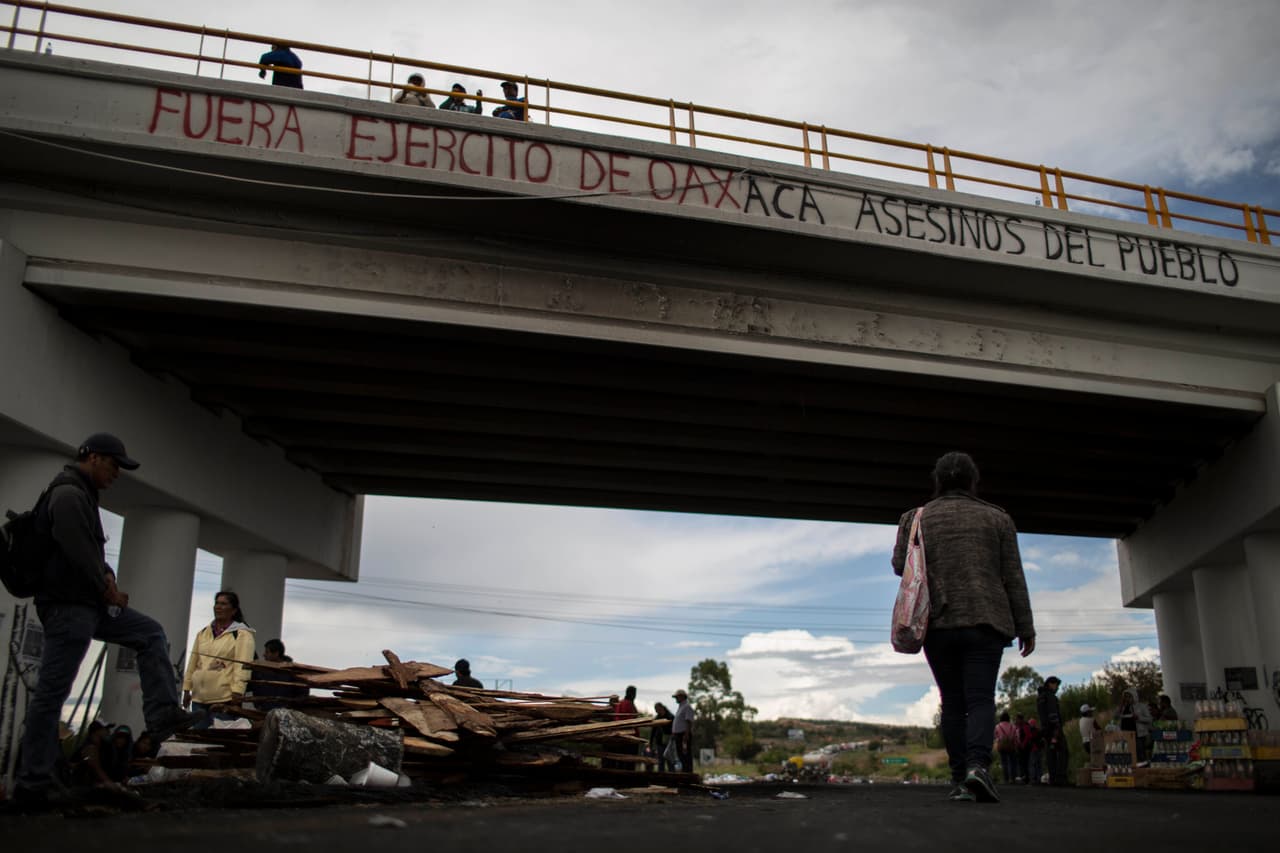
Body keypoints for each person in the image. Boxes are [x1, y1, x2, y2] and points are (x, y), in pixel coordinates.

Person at [12, 433, 201, 809]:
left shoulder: (83, 494)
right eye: (114, 465)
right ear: (93, 458)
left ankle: (162, 716)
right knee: (51, 696)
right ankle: (31, 785)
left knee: (149, 633)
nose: (117, 474)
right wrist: (106, 587)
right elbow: (76, 548)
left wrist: (108, 575)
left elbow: (91, 550)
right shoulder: (67, 493)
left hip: (87, 605)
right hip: (69, 608)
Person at [891, 451, 1035, 804]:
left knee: (952, 701)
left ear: (936, 481)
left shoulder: (915, 518)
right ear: (974, 482)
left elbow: (900, 565)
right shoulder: (997, 518)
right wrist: (1025, 626)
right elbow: (1013, 576)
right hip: (986, 620)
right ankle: (977, 768)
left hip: (936, 622)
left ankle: (959, 780)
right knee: (981, 698)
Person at [182, 590, 255, 728]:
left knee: (217, 742)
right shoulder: (203, 633)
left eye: (223, 604)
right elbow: (193, 662)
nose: (218, 607)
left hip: (224, 699)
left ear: (233, 610)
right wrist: (186, 689)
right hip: (198, 698)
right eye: (216, 603)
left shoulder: (242, 634)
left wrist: (238, 691)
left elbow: (243, 665)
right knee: (198, 741)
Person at [249, 638, 309, 711]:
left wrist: (291, 707)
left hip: (286, 714)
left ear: (276, 653)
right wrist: (259, 705)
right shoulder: (261, 672)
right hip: (264, 713)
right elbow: (255, 688)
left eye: (267, 652)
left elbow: (302, 693)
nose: (264, 655)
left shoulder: (293, 673)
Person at [1037, 676, 1067, 785]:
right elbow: (1053, 714)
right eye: (1056, 685)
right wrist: (1056, 730)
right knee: (1063, 752)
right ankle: (1061, 778)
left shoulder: (1040, 697)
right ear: (1050, 684)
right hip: (1054, 729)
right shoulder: (1050, 696)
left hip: (1045, 729)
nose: (1057, 687)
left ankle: (1053, 778)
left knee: (1050, 754)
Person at [1116, 686, 1152, 761]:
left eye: (1129, 697)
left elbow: (1149, 719)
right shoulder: (1123, 707)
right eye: (1125, 697)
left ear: (1134, 696)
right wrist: (1121, 706)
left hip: (1138, 735)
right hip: (1125, 734)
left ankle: (1143, 768)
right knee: (1129, 754)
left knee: (1140, 754)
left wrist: (1139, 718)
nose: (1127, 699)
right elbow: (1116, 717)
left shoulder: (1141, 706)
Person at [670, 688, 694, 772]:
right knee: (681, 755)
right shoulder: (681, 707)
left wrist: (686, 734)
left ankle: (688, 772)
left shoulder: (687, 707)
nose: (676, 699)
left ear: (682, 697)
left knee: (685, 755)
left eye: (677, 697)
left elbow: (689, 721)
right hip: (678, 735)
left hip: (683, 734)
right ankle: (685, 771)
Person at [649, 701, 674, 772]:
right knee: (661, 761)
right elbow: (653, 731)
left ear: (661, 708)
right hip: (660, 743)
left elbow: (673, 729)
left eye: (657, 709)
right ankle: (661, 777)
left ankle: (672, 777)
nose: (656, 711)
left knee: (670, 760)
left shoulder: (670, 716)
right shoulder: (657, 718)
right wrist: (651, 743)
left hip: (669, 742)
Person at [993, 711, 1018, 783]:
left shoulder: (998, 726)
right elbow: (1015, 737)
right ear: (1008, 718)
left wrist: (1000, 739)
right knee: (1012, 762)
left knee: (1004, 763)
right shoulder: (1013, 726)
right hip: (1011, 745)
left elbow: (995, 736)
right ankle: (1013, 778)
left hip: (1002, 746)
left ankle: (1006, 779)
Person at [1014, 712, 1031, 783]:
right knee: (1021, 762)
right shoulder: (1017, 726)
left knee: (1025, 762)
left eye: (1018, 719)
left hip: (1025, 747)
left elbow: (1028, 736)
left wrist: (1023, 744)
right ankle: (1023, 776)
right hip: (1019, 747)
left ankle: (1027, 777)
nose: (1017, 720)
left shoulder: (1025, 726)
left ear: (1021, 719)